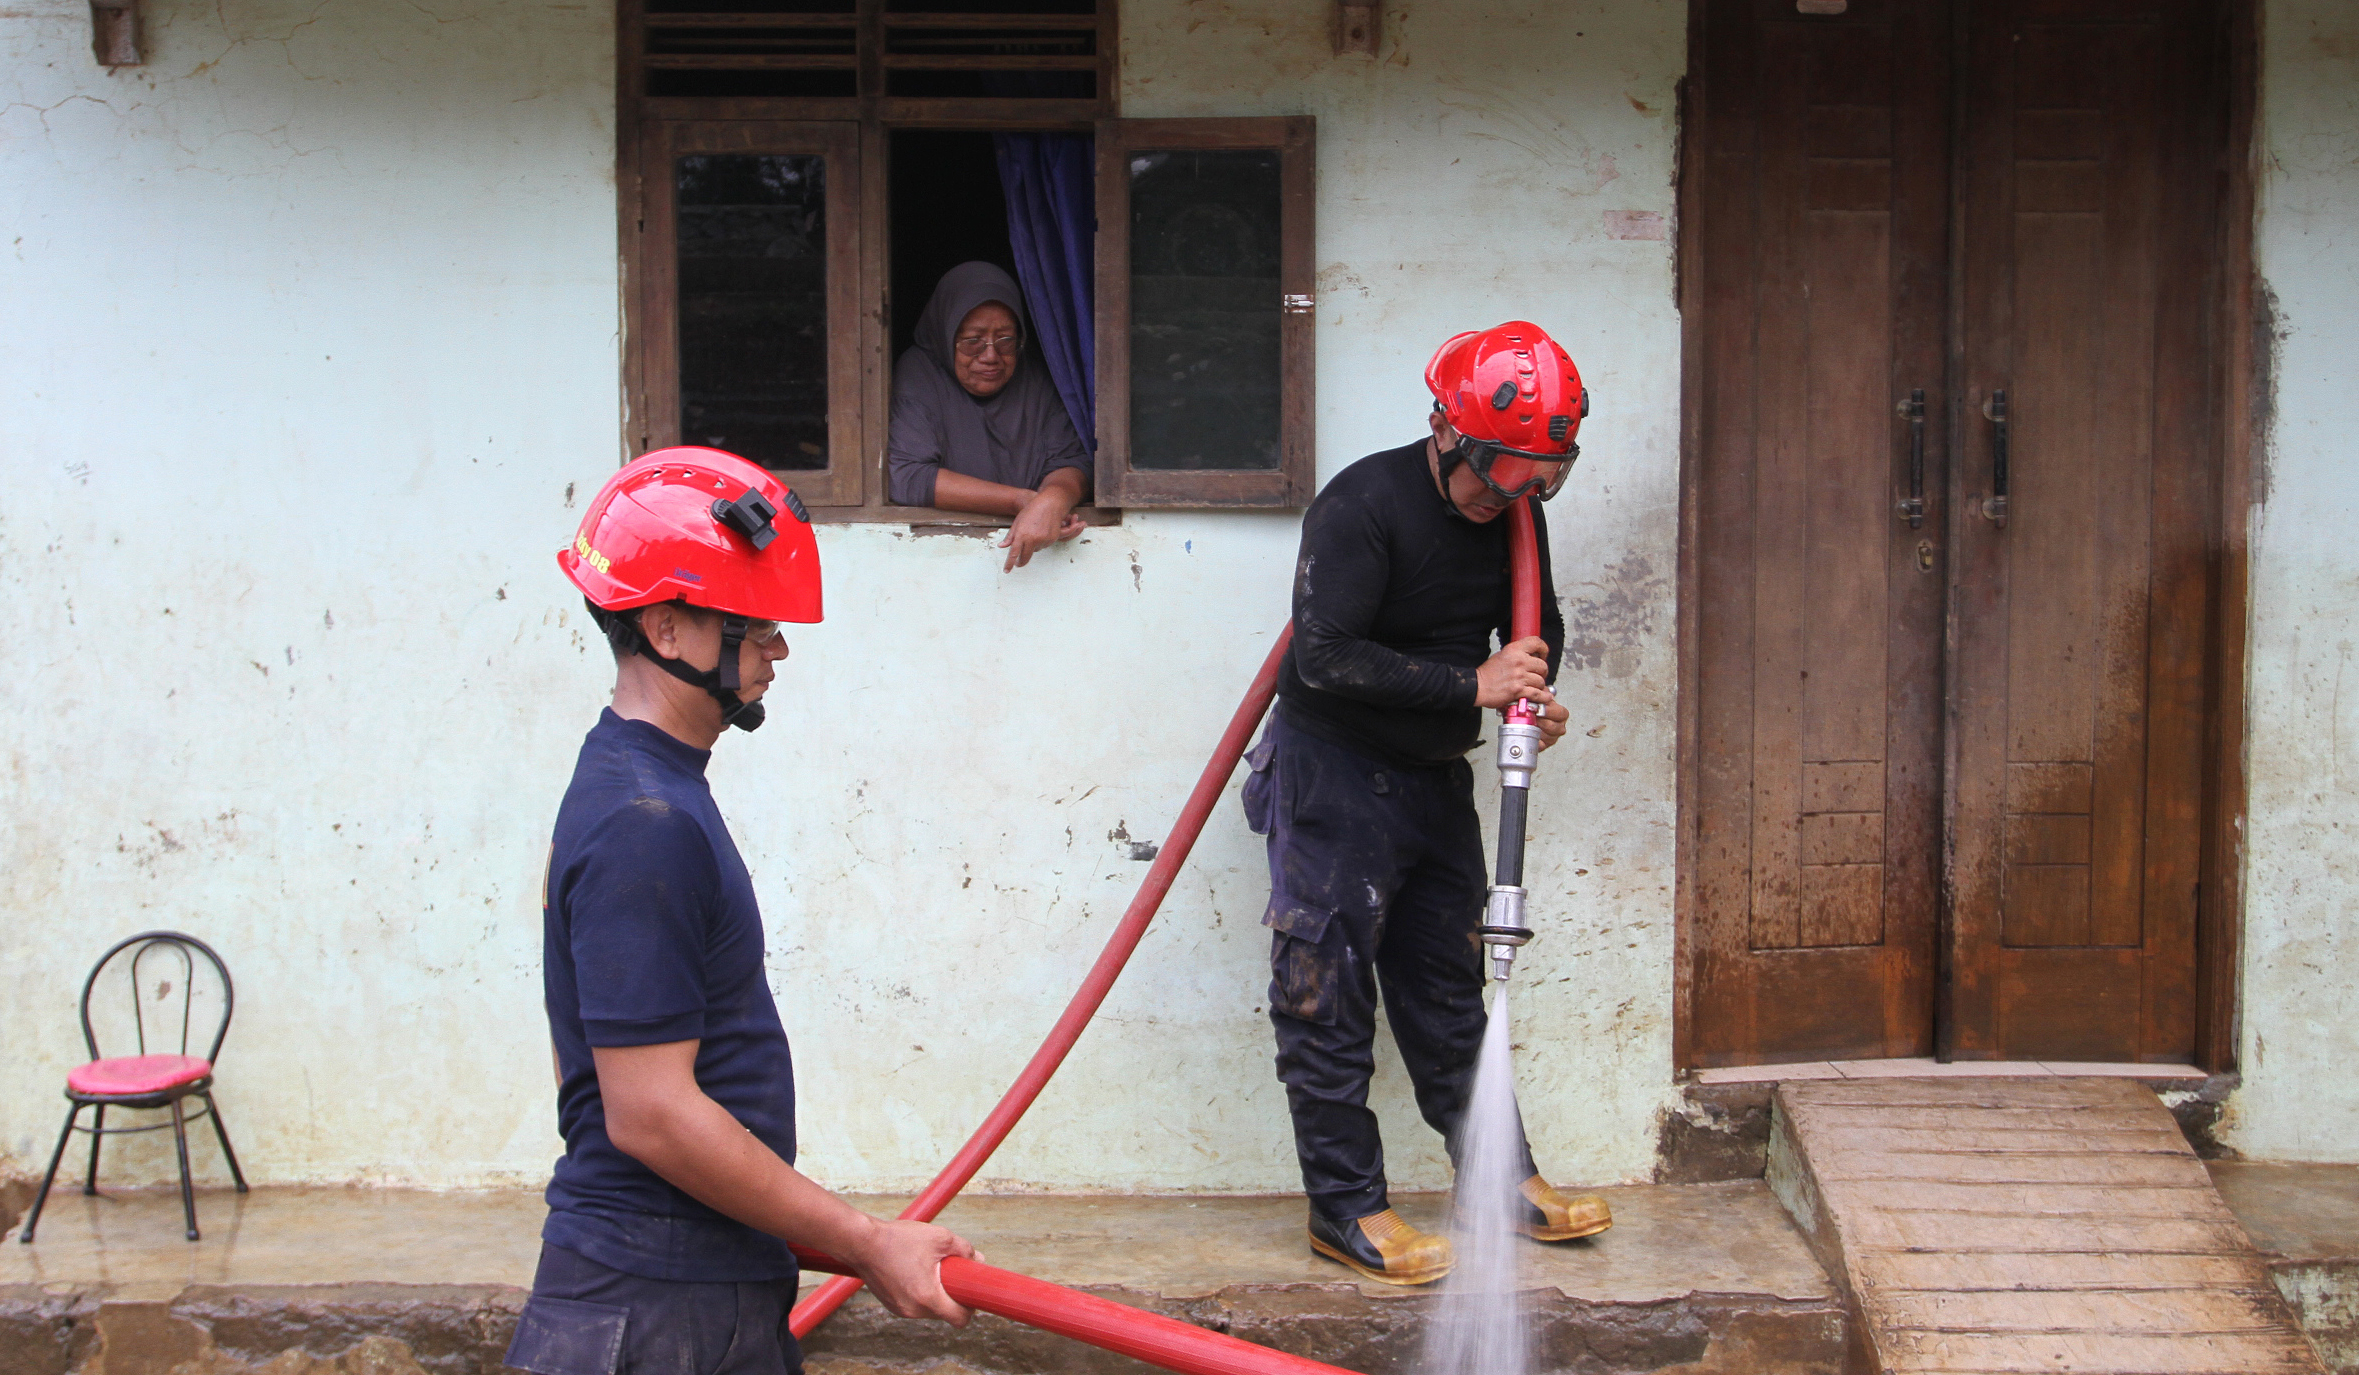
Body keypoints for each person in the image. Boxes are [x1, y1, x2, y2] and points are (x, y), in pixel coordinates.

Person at [508, 447, 975, 1375]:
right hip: (657, 1311)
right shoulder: (646, 820)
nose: (778, 649)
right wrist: (864, 1240)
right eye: (755, 625)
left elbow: (586, 1063)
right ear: (669, 626)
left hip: (673, 1286)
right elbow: (647, 1112)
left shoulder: (631, 785)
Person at [1241, 323, 1612, 1287]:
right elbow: (1322, 655)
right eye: (1499, 473)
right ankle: (1346, 1208)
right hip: (1332, 775)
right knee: (1325, 994)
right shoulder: (1363, 503)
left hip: (1432, 777)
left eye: (1541, 477)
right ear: (1446, 430)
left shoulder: (1516, 511)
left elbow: (1538, 628)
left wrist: (1528, 692)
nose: (1515, 498)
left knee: (1450, 988)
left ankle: (1499, 1178)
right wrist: (1471, 687)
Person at [887, 261, 1092, 573]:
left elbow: (1074, 460)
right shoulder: (920, 373)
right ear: (946, 336)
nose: (991, 355)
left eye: (1006, 339)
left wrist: (1054, 499)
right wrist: (1023, 502)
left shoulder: (1036, 375)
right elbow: (907, 475)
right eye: (973, 340)